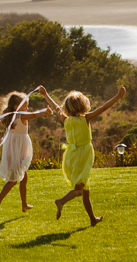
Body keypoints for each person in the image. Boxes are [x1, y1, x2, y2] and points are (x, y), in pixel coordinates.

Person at [39, 84, 127, 226]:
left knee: (86, 190)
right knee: (79, 190)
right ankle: (61, 201)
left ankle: (93, 219)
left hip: (71, 155)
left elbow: (56, 107)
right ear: (82, 105)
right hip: (82, 155)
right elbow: (103, 108)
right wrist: (118, 96)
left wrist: (45, 94)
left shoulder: (65, 119)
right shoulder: (85, 119)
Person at [0, 91, 52, 217]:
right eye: (25, 105)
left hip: (11, 147)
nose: (27, 108)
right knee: (14, 179)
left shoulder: (8, 116)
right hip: (18, 147)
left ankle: (24, 204)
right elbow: (34, 115)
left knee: (23, 176)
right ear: (16, 106)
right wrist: (45, 112)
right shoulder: (21, 116)